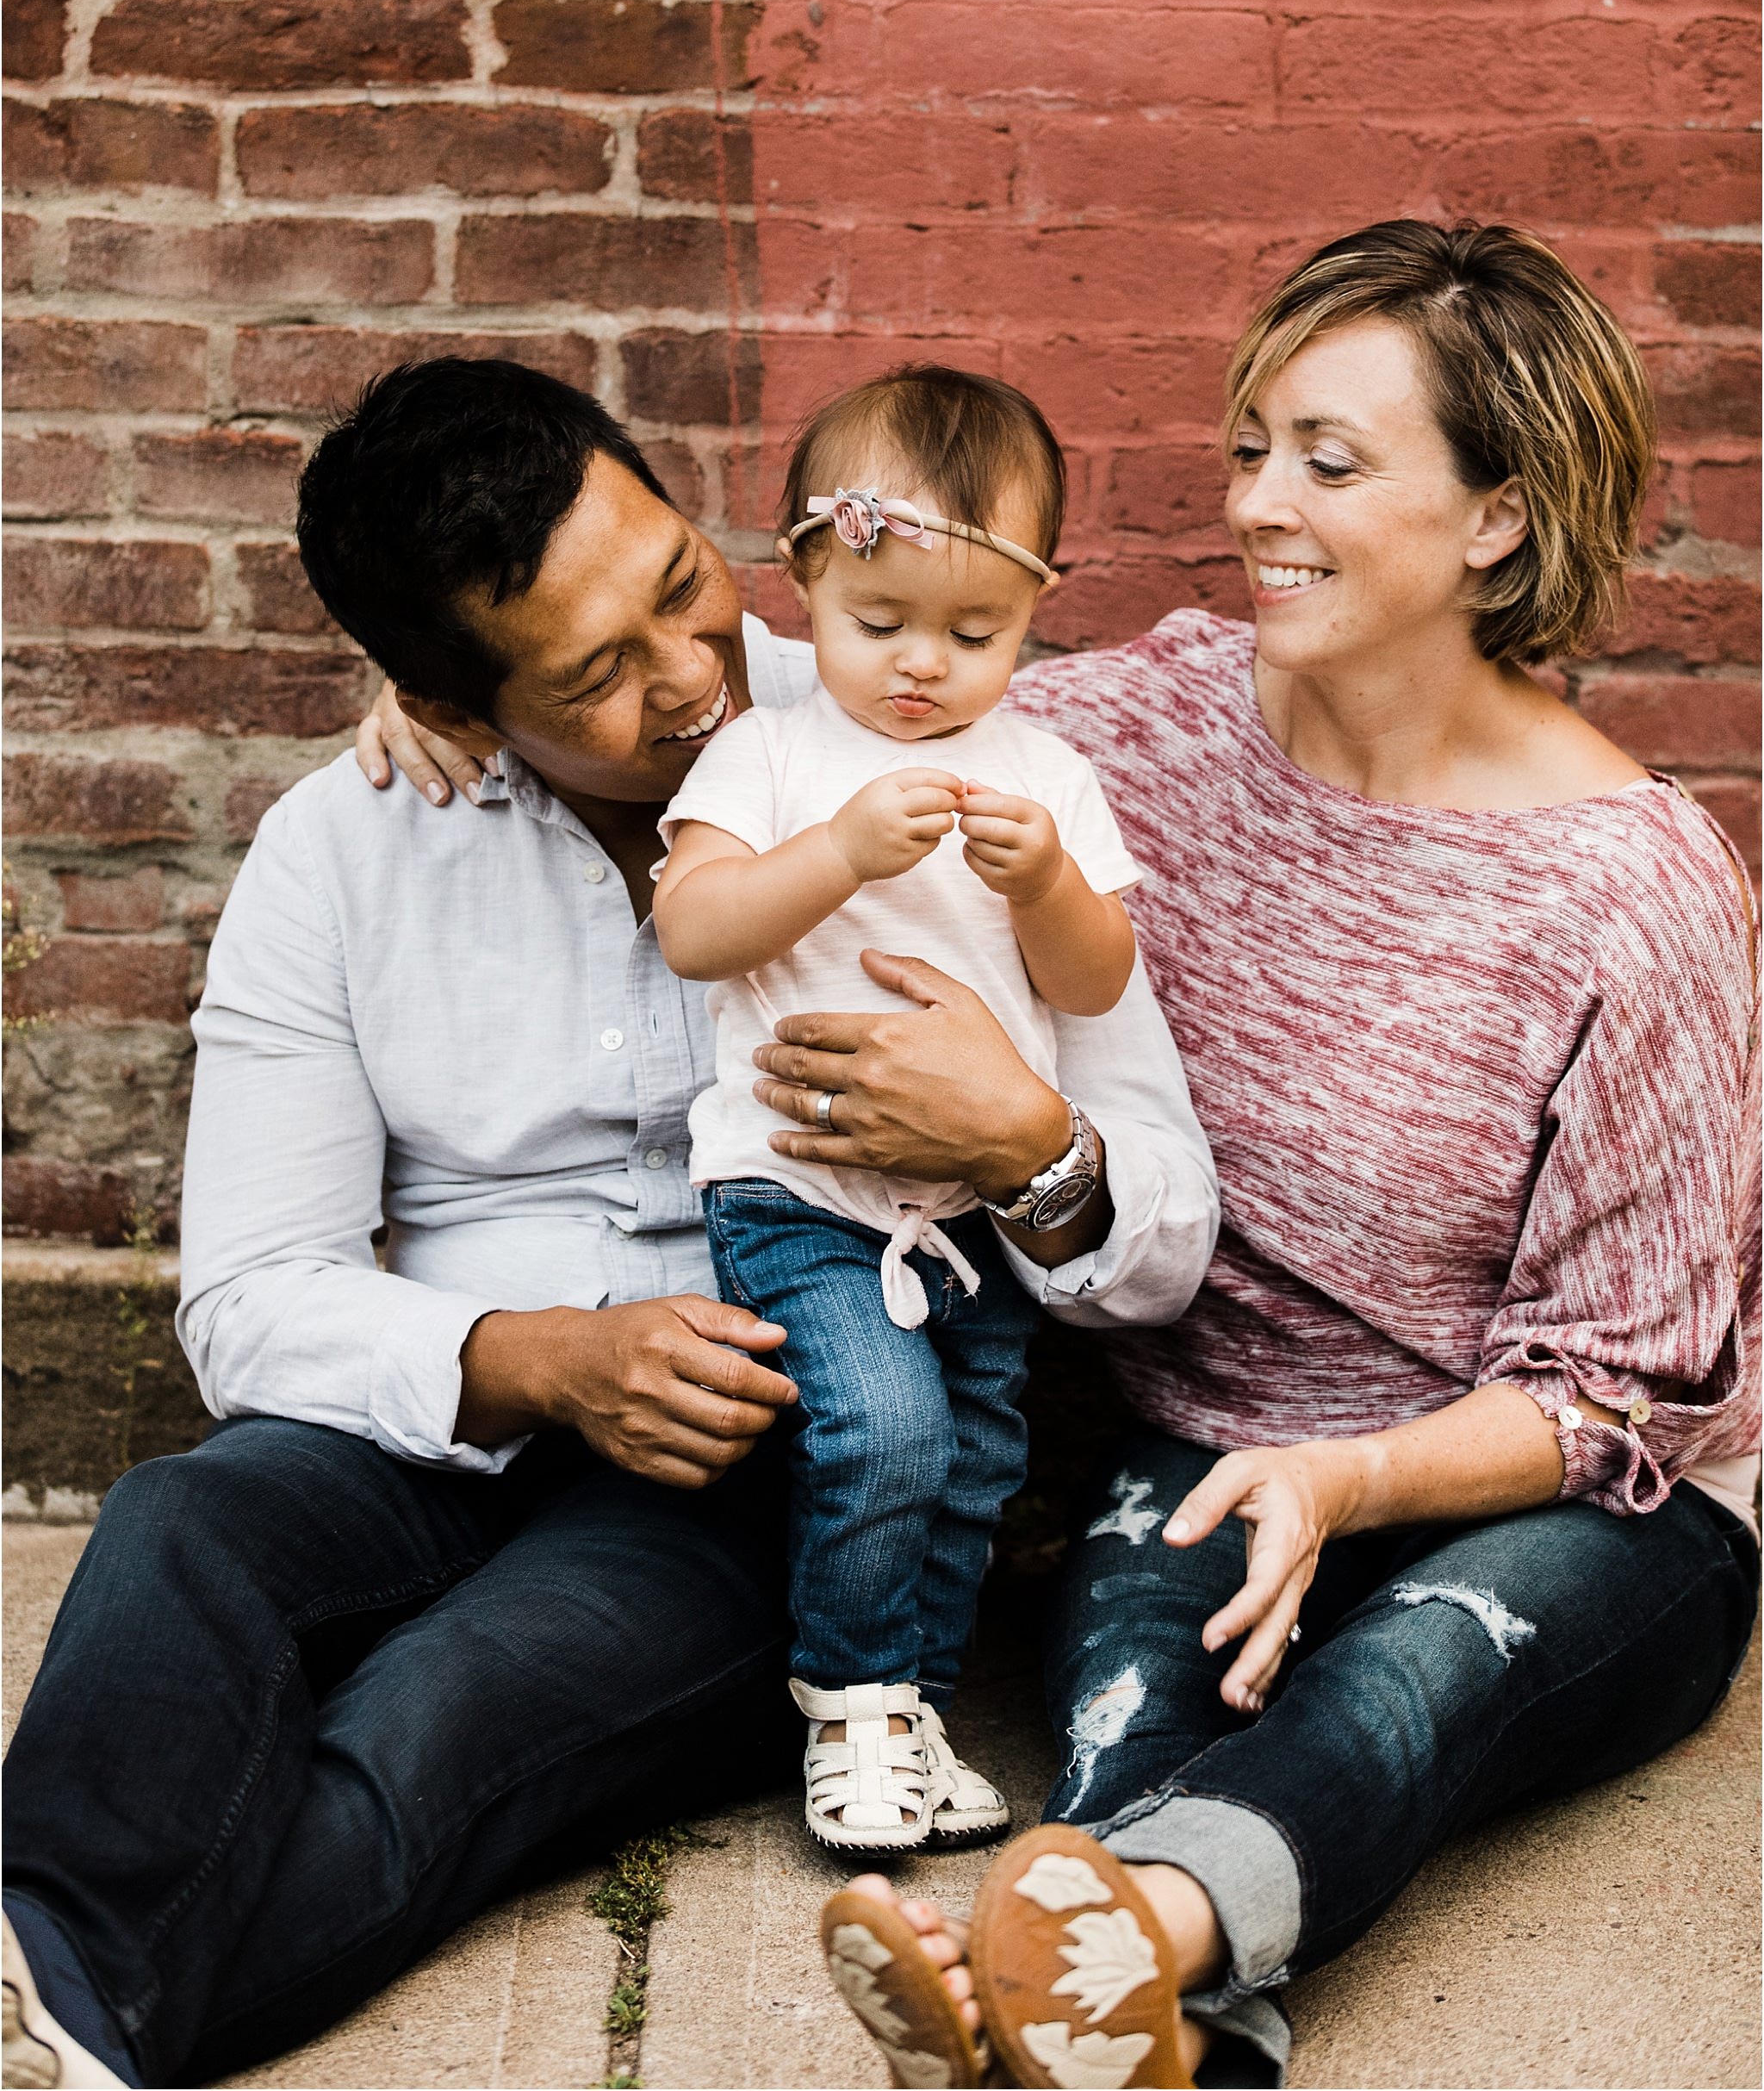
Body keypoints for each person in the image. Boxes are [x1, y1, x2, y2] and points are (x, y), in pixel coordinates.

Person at [0, 359, 1217, 2091]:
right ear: (453, 699)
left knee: (444, 1710)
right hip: (443, 1414)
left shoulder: (926, 732)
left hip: (751, 1476)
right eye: (597, 673)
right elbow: (251, 1300)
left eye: (678, 583)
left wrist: (1025, 1140)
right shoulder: (342, 849)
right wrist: (540, 1361)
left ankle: (56, 1993)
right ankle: (50, 1991)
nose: (691, 674)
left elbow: (1165, 1227)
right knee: (180, 1527)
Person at [797, 221, 1760, 2091]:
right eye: (1251, 448)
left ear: (1497, 512)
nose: (1255, 505)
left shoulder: (1630, 891)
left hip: (1557, 1506)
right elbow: (817, 700)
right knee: (1126, 1711)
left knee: (1419, 1665)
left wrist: (1353, 1475)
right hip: (1207, 1453)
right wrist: (452, 698)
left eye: (1327, 459)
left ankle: (1074, 1967)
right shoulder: (1144, 724)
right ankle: (1154, 2034)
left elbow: (1625, 1392)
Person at [654, 365, 1207, 1855]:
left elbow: (1095, 982)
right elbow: (696, 927)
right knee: (884, 1432)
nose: (921, 669)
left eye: (976, 635)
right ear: (808, 576)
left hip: (967, 1214)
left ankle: (916, 1710)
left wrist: (1046, 884)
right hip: (799, 1191)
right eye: (877, 623)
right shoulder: (769, 756)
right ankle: (847, 1704)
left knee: (972, 1467)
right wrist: (833, 849)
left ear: (1035, 610)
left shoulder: (1046, 775)